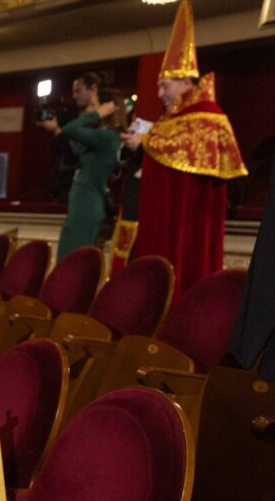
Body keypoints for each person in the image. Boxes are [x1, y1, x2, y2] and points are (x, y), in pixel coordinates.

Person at [120, 0, 246, 298]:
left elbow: (182, 151)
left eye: (165, 86)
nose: (160, 94)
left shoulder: (207, 115)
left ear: (186, 81)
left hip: (186, 230)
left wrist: (146, 142)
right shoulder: (174, 119)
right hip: (160, 220)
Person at [40, 92, 124, 259]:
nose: (87, 112)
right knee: (67, 261)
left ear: (108, 109)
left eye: (94, 107)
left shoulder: (107, 137)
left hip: (87, 206)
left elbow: (70, 129)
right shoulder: (97, 138)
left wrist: (97, 114)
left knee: (71, 264)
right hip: (82, 204)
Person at [38, 72, 104, 204]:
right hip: (66, 183)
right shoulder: (76, 116)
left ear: (93, 89)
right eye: (73, 92)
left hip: (86, 186)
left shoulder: (101, 120)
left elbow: (76, 150)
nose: (74, 96)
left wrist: (57, 130)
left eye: (78, 91)